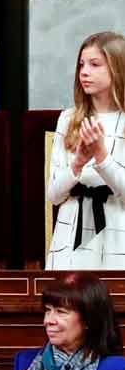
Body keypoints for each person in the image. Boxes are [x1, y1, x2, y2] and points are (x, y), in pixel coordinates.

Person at [45, 31, 125, 270]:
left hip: (117, 233)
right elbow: (54, 195)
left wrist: (101, 156)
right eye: (81, 64)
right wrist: (78, 163)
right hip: (71, 234)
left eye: (94, 64)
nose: (84, 72)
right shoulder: (68, 119)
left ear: (117, 68)